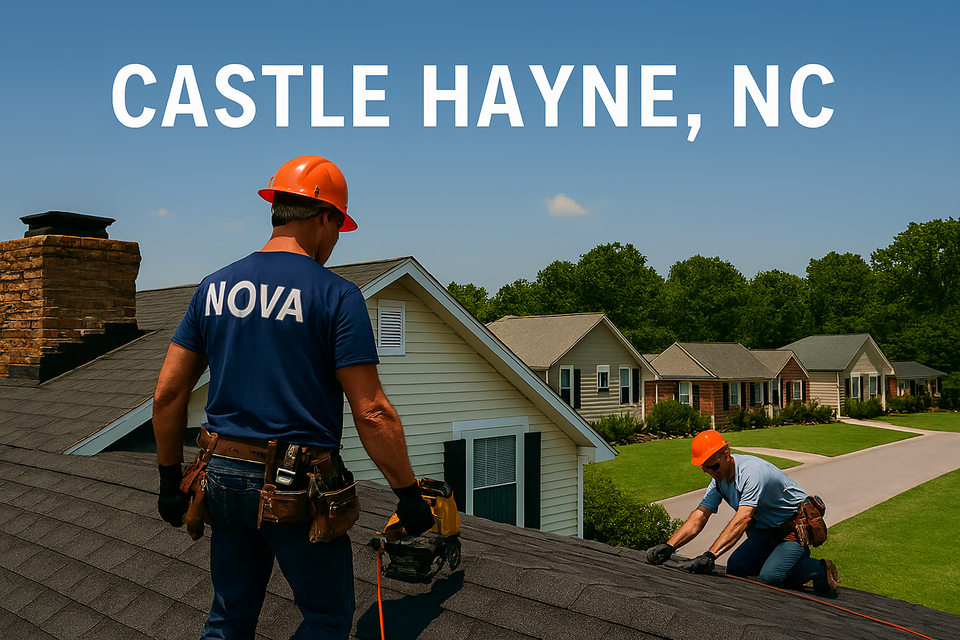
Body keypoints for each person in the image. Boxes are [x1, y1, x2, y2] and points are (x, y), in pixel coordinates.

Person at [152, 155, 436, 639]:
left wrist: (167, 479)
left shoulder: (214, 287)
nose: (335, 242)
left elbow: (167, 393)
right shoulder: (336, 297)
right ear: (325, 217)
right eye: (339, 229)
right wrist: (407, 496)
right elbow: (372, 411)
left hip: (221, 478)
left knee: (229, 616)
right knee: (326, 618)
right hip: (295, 486)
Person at [645, 430, 840, 594]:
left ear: (726, 454)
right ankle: (784, 565)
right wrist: (669, 546)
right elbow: (700, 515)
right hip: (765, 533)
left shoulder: (752, 473)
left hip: (792, 532)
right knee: (736, 567)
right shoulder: (719, 481)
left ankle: (819, 569)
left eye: (714, 466)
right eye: (705, 469)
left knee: (770, 577)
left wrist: (710, 556)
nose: (711, 472)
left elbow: (743, 518)